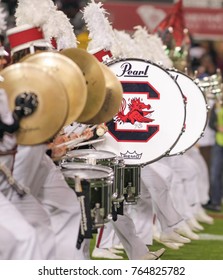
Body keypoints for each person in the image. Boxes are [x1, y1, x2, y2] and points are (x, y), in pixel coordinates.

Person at [204, 99, 223, 212]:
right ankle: (215, 201)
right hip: (218, 143)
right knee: (215, 174)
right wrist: (217, 127)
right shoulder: (217, 103)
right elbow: (211, 123)